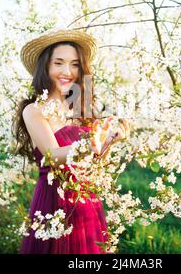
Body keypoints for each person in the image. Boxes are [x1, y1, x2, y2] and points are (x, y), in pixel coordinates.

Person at [12, 29, 129, 254]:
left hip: (86, 198)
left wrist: (109, 141)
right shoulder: (34, 110)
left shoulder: (80, 108)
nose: (67, 72)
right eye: (59, 63)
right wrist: (88, 145)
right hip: (54, 199)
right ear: (45, 66)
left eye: (75, 64)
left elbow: (93, 159)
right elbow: (52, 155)